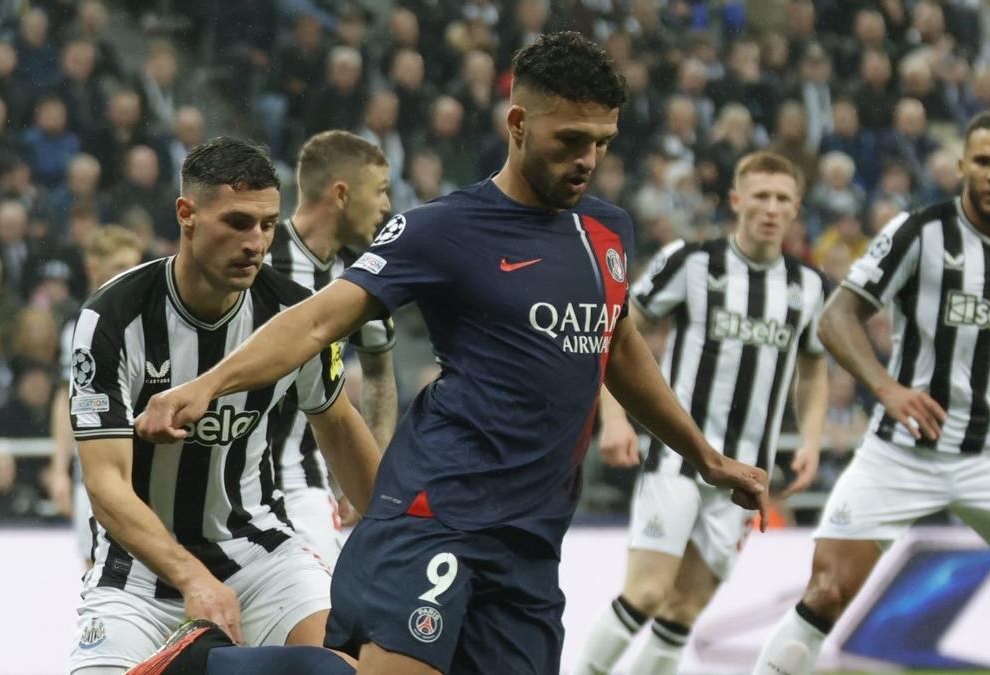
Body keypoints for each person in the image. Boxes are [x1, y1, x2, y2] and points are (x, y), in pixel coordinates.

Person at [130, 32, 769, 675]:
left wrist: (706, 457)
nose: (587, 159)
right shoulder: (443, 228)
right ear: (518, 124)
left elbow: (619, 344)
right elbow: (318, 319)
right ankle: (202, 668)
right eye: (571, 139)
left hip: (531, 539)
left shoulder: (607, 232)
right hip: (438, 513)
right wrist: (208, 384)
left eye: (602, 142)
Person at [751, 111, 990, 675]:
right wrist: (887, 389)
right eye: (983, 161)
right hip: (900, 453)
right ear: (962, 167)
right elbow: (836, 319)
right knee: (827, 592)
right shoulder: (917, 232)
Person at [67, 137, 381, 674]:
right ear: (186, 215)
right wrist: (192, 579)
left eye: (267, 224)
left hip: (260, 555)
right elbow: (106, 486)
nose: (256, 242)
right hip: (136, 575)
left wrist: (406, 541)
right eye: (237, 222)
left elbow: (340, 428)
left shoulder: (294, 315)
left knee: (344, 667)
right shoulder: (111, 318)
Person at [573, 151, 829, 675]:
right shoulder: (692, 263)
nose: (770, 208)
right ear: (736, 201)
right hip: (679, 458)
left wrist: (810, 439)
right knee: (644, 594)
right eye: (760, 196)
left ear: (796, 208)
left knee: (682, 612)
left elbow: (813, 367)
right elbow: (617, 332)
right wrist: (616, 419)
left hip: (746, 476)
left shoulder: (807, 287)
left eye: (782, 199)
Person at [266, 129, 398, 568]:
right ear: (341, 194)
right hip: (217, 481)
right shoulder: (255, 260)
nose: (386, 206)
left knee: (320, 624)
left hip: (301, 482)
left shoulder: (366, 280)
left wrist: (364, 475)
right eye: (380, 190)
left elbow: (379, 371)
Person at [45, 225, 144, 569]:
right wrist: (59, 468)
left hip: (144, 458)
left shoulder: (149, 320)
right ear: (93, 269)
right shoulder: (76, 327)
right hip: (94, 460)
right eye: (119, 266)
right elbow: (65, 397)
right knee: (94, 562)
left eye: (134, 264)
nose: (129, 274)